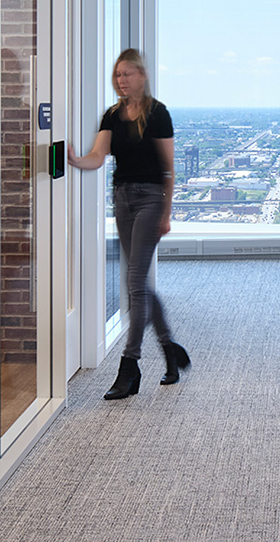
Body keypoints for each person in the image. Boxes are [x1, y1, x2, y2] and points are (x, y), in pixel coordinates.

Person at [67, 48, 189, 400]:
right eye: (117, 75)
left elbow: (168, 168)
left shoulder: (157, 114)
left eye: (127, 74)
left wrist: (167, 212)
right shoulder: (112, 115)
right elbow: (98, 156)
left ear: (142, 75)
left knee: (135, 280)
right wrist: (75, 160)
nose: (121, 81)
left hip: (151, 198)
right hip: (122, 199)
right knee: (140, 285)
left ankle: (129, 365)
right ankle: (169, 350)